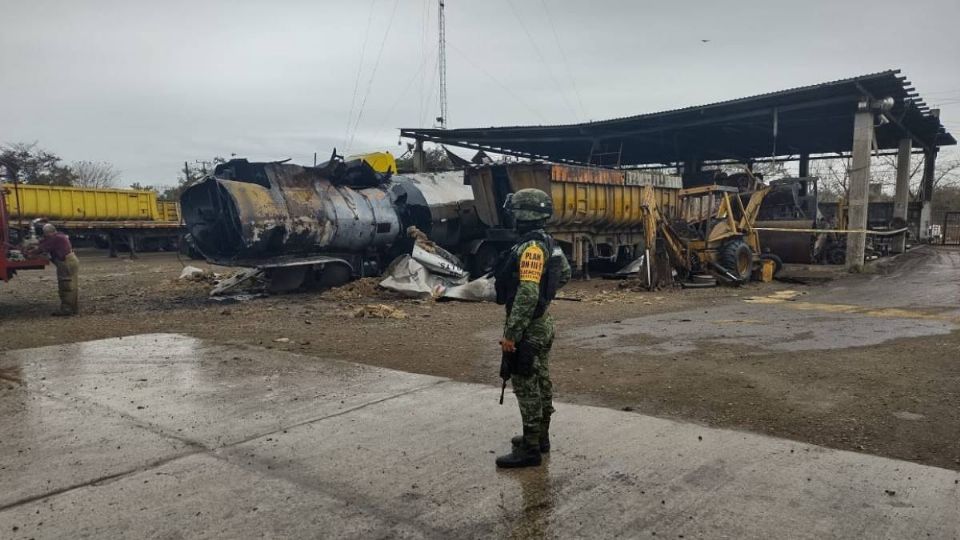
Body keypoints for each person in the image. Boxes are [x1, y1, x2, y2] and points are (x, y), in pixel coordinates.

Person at [494, 188, 571, 468]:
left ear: (522, 214)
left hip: (528, 328)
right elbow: (564, 274)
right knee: (541, 381)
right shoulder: (548, 242)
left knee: (527, 386)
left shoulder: (531, 248)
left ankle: (530, 450)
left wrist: (511, 334)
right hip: (543, 323)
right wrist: (544, 297)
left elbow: (526, 292)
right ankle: (541, 438)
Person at [32, 224, 80, 316]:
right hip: (71, 260)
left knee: (65, 285)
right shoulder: (59, 235)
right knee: (72, 285)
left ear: (49, 232)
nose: (45, 235)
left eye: (45, 234)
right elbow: (45, 242)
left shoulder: (55, 238)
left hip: (65, 262)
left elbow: (42, 248)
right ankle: (73, 308)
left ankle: (67, 309)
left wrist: (29, 252)